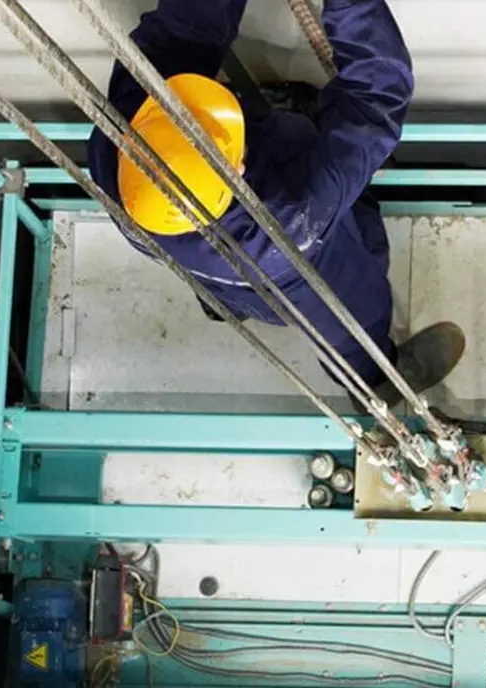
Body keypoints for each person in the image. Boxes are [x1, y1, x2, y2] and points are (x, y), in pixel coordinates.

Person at [87, 0, 463, 405]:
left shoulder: (120, 145)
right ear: (239, 168)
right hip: (291, 267)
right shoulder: (299, 209)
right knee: (353, 318)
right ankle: (374, 381)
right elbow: (375, 95)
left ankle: (224, 302)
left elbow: (182, 29)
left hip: (204, 262)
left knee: (217, 276)